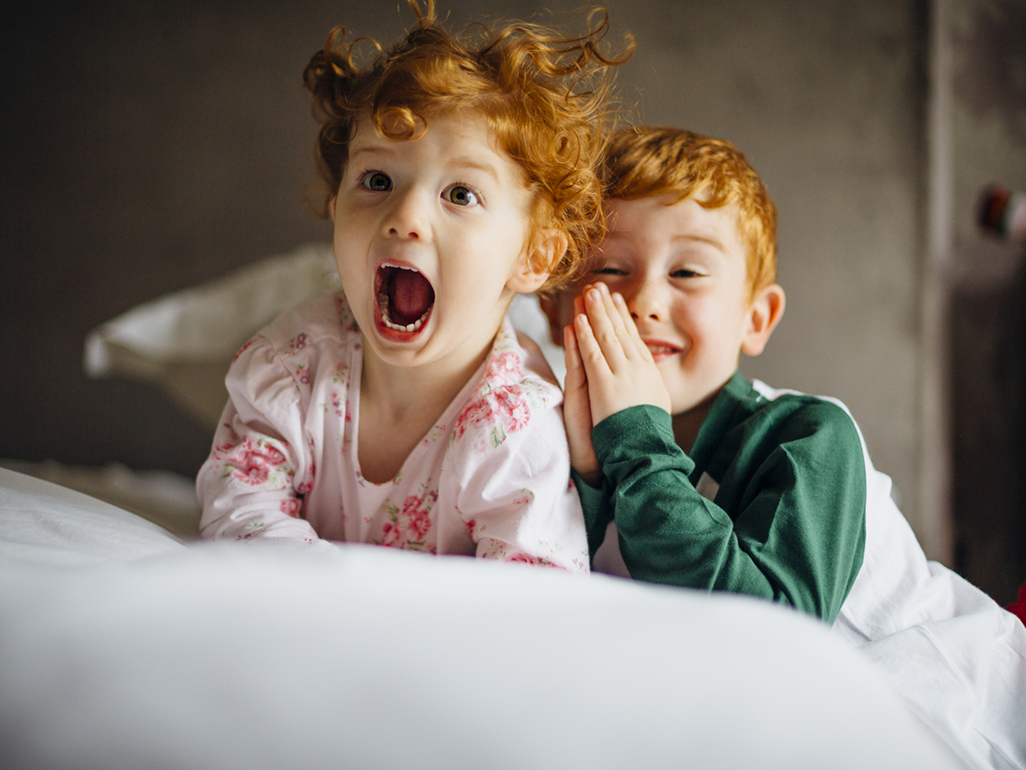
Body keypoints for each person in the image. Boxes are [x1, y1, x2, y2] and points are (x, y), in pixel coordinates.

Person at [542, 125, 1026, 768]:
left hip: (943, 709)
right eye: (609, 270)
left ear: (757, 318)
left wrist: (635, 443)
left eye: (686, 271)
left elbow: (772, 639)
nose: (644, 301)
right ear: (559, 310)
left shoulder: (810, 434)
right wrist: (589, 471)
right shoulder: (558, 437)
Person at [196, 0, 632, 571]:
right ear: (335, 210)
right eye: (377, 180)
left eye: (460, 194)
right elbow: (238, 510)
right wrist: (330, 592)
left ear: (532, 256)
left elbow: (530, 590)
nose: (404, 215)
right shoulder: (294, 365)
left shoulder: (513, 422)